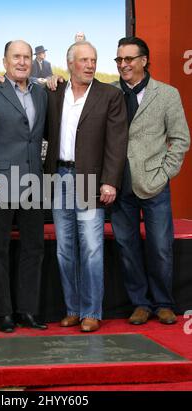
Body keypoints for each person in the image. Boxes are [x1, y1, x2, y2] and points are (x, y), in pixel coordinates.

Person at [44, 41, 128, 332]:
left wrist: (110, 181)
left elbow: (117, 143)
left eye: (93, 60)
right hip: (59, 177)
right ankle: (73, 309)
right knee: (65, 249)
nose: (90, 65)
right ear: (70, 63)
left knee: (91, 248)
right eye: (83, 60)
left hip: (91, 180)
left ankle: (91, 311)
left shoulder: (110, 95)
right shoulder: (54, 93)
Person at [110, 36, 190, 325]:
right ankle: (140, 303)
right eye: (119, 60)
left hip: (154, 183)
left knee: (160, 246)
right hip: (119, 185)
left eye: (128, 59)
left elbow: (181, 140)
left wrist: (165, 172)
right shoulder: (108, 93)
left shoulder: (167, 94)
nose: (123, 65)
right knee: (127, 247)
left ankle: (164, 302)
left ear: (144, 60)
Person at [0, 40, 48, 333]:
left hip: (33, 182)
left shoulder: (41, 93)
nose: (22, 61)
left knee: (33, 249)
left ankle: (27, 310)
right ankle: (3, 313)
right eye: (16, 56)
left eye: (27, 57)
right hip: (0, 183)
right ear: (4, 61)